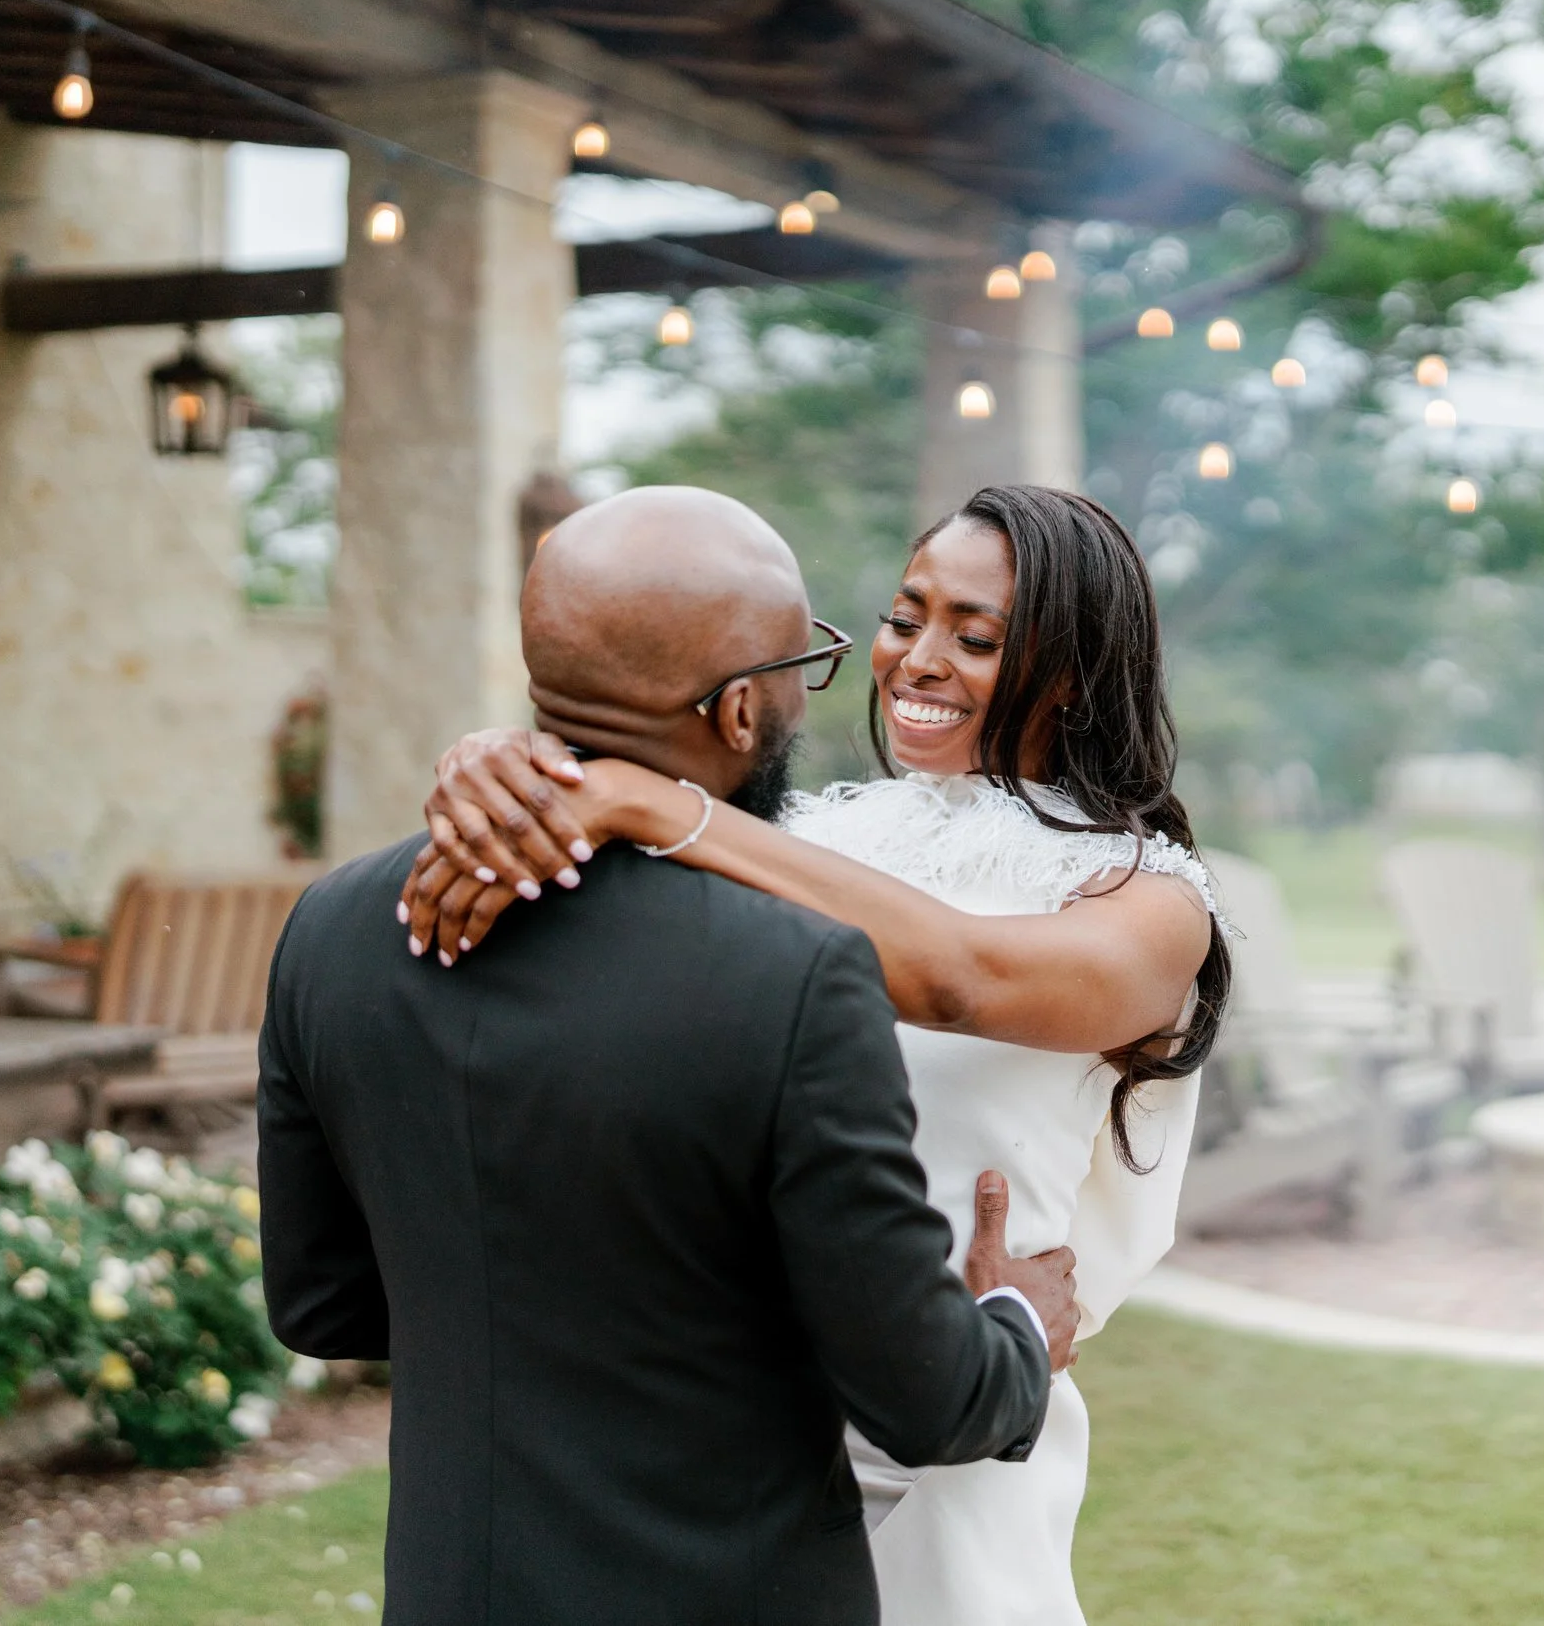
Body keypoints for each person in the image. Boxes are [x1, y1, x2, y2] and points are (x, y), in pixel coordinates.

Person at [401, 483, 1229, 1625]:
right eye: (904, 619)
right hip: (726, 1426)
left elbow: (961, 977)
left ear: (1075, 673)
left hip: (949, 1429)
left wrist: (652, 806)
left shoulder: (1146, 901)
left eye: (976, 637)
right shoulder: (800, 836)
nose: (917, 661)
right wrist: (509, 765)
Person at [260, 486, 1080, 1626]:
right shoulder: (796, 976)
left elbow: (321, 1305)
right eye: (804, 665)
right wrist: (1019, 1323)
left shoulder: (334, 928)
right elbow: (928, 1400)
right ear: (740, 710)